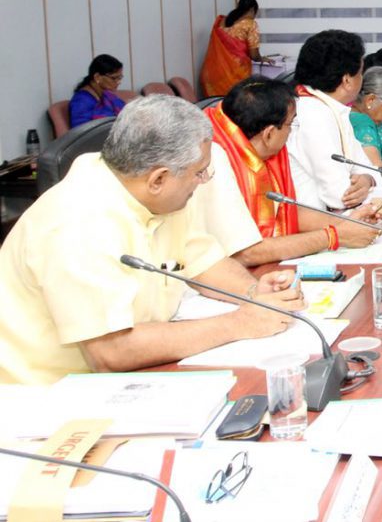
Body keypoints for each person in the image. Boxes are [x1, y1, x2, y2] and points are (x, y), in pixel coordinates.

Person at [0, 95, 304, 384]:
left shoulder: (155, 194)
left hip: (130, 375)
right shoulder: (77, 222)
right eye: (200, 173)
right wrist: (240, 323)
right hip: (43, 396)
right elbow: (110, 352)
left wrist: (252, 292)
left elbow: (203, 261)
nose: (203, 182)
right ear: (158, 179)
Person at [199, 77, 380, 266]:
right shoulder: (214, 163)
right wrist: (335, 236)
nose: (292, 132)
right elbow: (245, 252)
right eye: (291, 124)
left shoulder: (258, 148)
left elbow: (287, 212)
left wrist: (349, 224)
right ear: (269, 133)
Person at [286, 29, 377, 212]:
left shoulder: (331, 107)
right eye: (360, 72)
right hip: (314, 222)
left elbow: (367, 167)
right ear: (347, 80)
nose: (362, 78)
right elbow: (340, 196)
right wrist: (364, 183)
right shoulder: (312, 114)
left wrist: (368, 179)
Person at [200, 0, 271, 97]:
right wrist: (262, 59)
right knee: (234, 103)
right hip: (234, 75)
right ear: (252, 10)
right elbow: (254, 55)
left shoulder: (222, 21)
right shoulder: (250, 24)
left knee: (215, 104)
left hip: (211, 73)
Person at [69, 54, 127, 128]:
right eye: (114, 78)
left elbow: (126, 111)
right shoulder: (81, 101)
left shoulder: (107, 95)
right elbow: (82, 131)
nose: (119, 82)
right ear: (97, 77)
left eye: (120, 77)